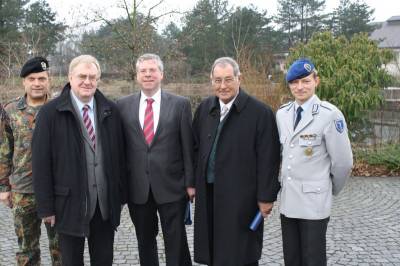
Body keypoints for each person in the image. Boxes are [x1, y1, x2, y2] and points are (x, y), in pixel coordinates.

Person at [32, 55, 126, 266]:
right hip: (68, 205)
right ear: (70, 77)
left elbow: (119, 157)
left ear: (98, 79)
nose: (87, 81)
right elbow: (40, 163)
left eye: (93, 77)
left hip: (104, 207)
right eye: (82, 76)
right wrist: (46, 207)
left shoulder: (111, 110)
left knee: (104, 261)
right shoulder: (49, 113)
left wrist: (119, 195)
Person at [192, 57, 281, 266]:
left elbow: (269, 159)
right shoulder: (205, 109)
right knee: (213, 250)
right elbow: (195, 148)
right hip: (209, 193)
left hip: (243, 198)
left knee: (241, 253)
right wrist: (193, 183)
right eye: (217, 80)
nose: (223, 86)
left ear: (239, 78)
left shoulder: (260, 113)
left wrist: (266, 197)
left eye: (228, 79)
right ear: (211, 80)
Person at [117, 53, 194, 266]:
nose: (148, 74)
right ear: (137, 76)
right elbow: (120, 148)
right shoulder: (122, 105)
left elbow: (188, 146)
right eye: (143, 71)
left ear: (161, 74)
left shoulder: (180, 104)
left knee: (176, 240)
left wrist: (190, 183)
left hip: (172, 186)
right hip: (138, 188)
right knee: (144, 240)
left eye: (152, 70)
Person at [276, 58, 353, 266]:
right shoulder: (282, 114)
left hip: (314, 203)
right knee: (291, 258)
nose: (300, 87)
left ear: (316, 81)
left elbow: (343, 162)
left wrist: (328, 189)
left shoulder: (330, 115)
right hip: (289, 201)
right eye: (294, 82)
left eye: (305, 81)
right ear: (289, 85)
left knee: (313, 259)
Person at [0, 57, 61, 265]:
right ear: (24, 82)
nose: (37, 83)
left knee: (60, 248)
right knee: (27, 249)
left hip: (57, 190)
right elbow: (4, 150)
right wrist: (3, 186)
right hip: (23, 190)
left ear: (48, 80)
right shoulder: (9, 110)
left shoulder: (59, 108)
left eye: (42, 78)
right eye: (32, 78)